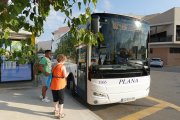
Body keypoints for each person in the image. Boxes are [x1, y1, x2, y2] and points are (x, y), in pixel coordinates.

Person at [50, 54, 68, 118]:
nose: (65, 61)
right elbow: (65, 75)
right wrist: (67, 73)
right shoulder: (62, 67)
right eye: (65, 60)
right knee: (61, 99)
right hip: (60, 84)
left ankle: (56, 110)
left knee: (55, 98)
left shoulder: (54, 66)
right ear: (63, 60)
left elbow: (52, 73)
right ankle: (60, 114)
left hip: (53, 84)